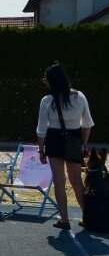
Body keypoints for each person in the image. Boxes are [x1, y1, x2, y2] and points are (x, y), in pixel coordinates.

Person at [36, 62, 94, 230]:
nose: (44, 82)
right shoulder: (80, 96)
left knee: (59, 182)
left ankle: (65, 220)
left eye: (45, 80)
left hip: (54, 139)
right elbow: (88, 124)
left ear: (52, 81)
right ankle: (87, 216)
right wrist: (84, 144)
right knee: (76, 181)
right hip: (74, 138)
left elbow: (41, 130)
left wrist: (41, 150)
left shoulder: (47, 100)